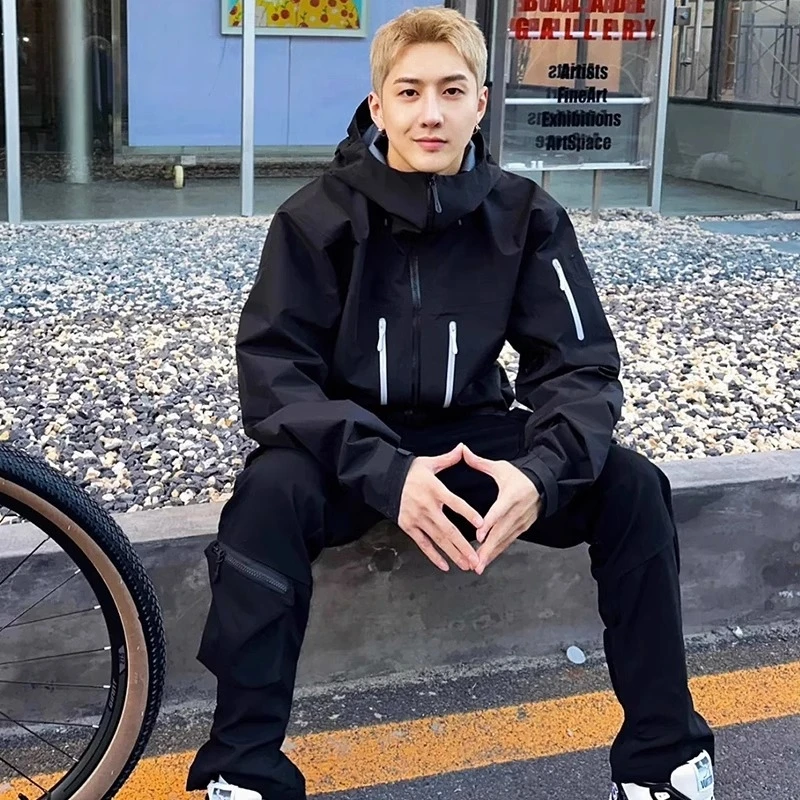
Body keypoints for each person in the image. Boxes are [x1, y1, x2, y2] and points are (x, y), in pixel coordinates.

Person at [186, 7, 716, 800]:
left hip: (474, 437)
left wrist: (540, 473)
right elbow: (273, 375)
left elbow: (580, 367)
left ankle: (663, 762)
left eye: (451, 90)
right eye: (409, 92)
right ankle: (244, 769)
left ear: (482, 101)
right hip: (354, 448)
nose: (429, 113)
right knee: (266, 496)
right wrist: (385, 471)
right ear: (379, 105)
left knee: (633, 486)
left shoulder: (527, 217)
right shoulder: (315, 219)